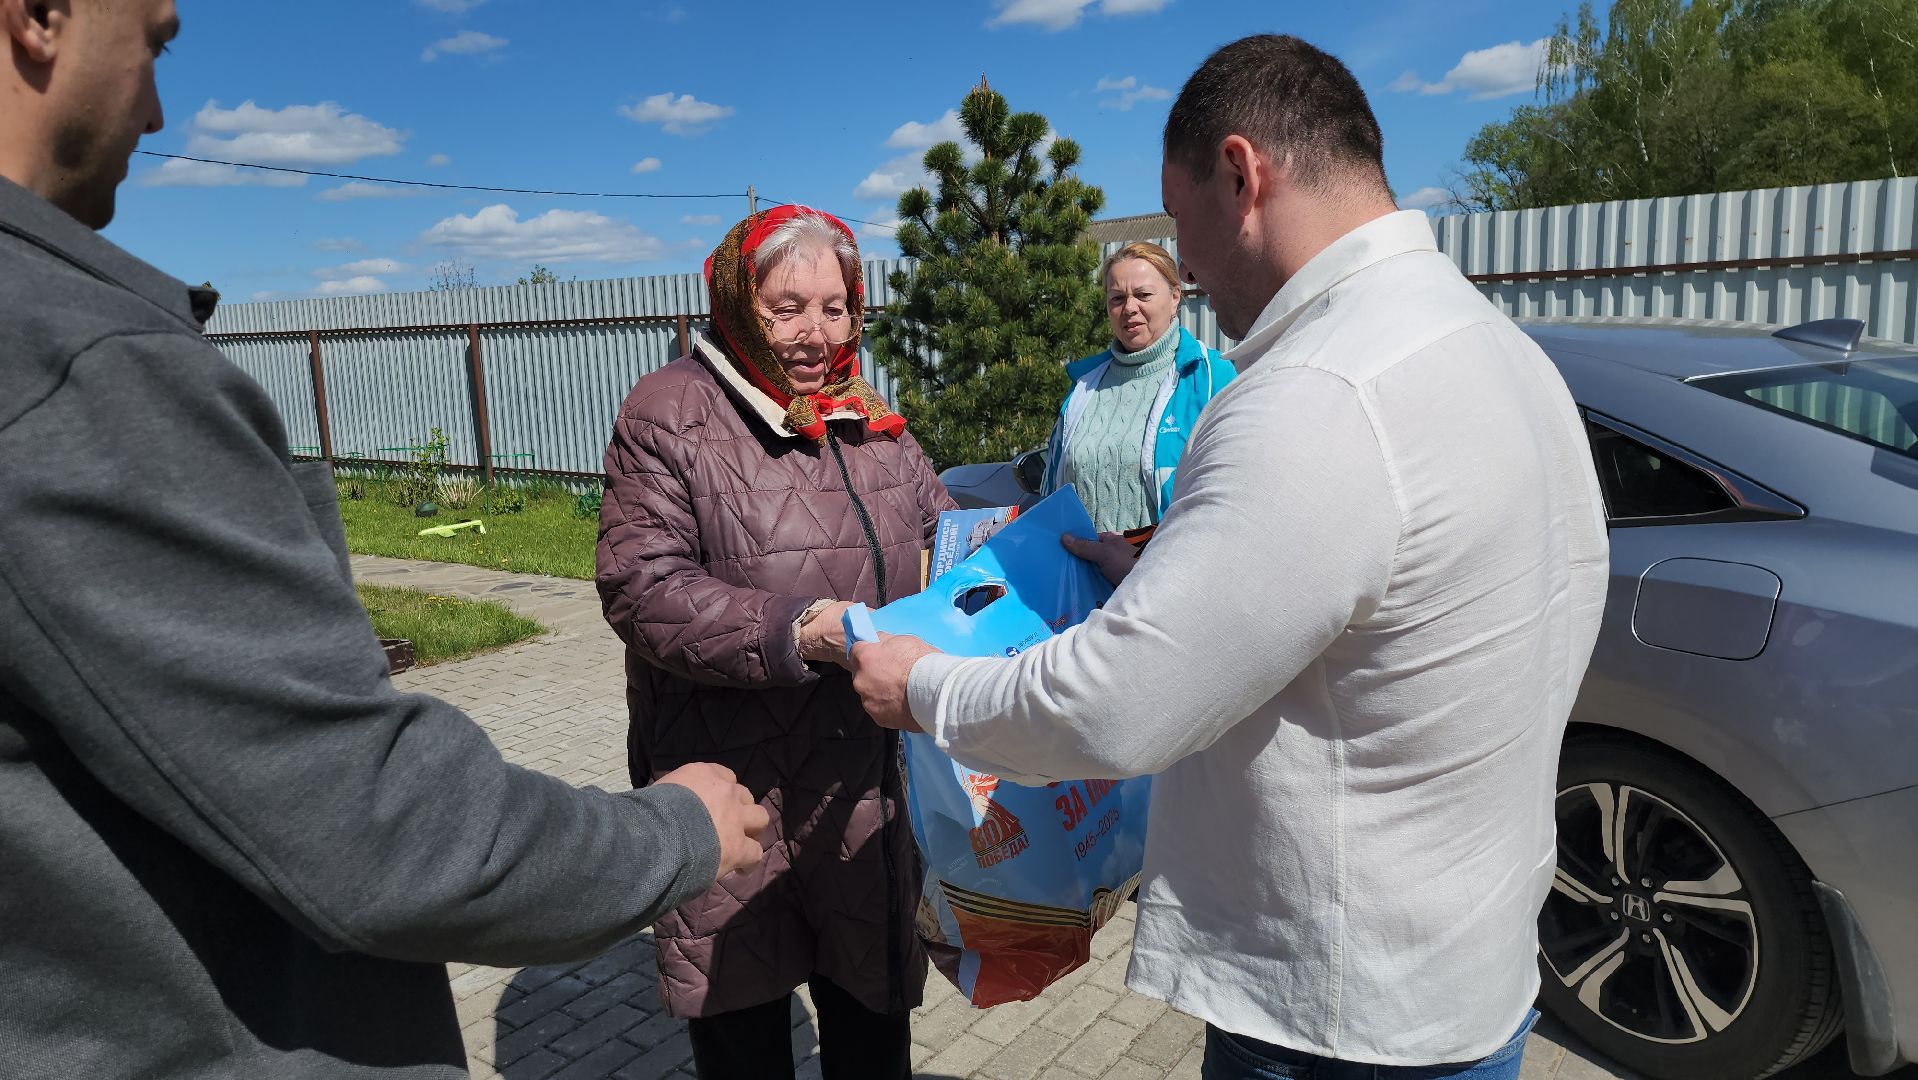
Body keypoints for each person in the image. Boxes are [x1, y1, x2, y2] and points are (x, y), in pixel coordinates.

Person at [0, 3, 768, 1077]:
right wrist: (670, 831)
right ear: (40, 18)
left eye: (837, 305)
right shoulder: (70, 365)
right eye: (158, 41)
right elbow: (371, 822)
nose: (161, 104)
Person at [849, 34, 1610, 1080]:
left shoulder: (1315, 393)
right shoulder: (1494, 347)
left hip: (1333, 1016)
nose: (1187, 266)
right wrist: (1169, 581)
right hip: (1467, 972)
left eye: (1180, 223)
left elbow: (1122, 709)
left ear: (1241, 176)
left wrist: (925, 687)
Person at [596, 205, 954, 1080]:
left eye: (835, 308)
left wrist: (1017, 562)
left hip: (860, 791)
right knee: (744, 1039)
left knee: (872, 1035)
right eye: (787, 307)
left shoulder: (870, 421)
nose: (815, 333)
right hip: (735, 785)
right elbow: (641, 586)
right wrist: (798, 629)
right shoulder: (671, 411)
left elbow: (943, 539)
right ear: (735, 299)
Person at [1041, 241, 1234, 533]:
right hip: (1079, 575)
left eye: (1143, 295)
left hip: (1167, 571)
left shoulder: (1211, 377)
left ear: (1174, 297)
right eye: (1117, 298)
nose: (1129, 308)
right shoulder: (1083, 386)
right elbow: (1050, 494)